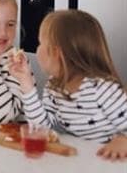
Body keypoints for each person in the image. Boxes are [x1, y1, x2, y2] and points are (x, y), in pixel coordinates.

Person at [9, 10, 127, 161]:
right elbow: (42, 128)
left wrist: (124, 140)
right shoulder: (54, 87)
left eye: (40, 43)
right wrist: (26, 83)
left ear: (57, 53)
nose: (37, 49)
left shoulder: (102, 90)